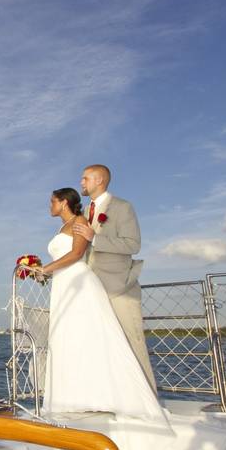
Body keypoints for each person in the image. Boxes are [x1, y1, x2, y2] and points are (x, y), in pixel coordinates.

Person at [37, 187, 165, 422]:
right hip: (64, 282)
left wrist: (45, 269)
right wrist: (43, 271)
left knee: (93, 337)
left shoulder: (79, 220)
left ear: (64, 203)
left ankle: (117, 396)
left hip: (78, 281)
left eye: (52, 201)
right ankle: (73, 397)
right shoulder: (62, 226)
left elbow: (76, 254)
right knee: (69, 338)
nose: (49, 206)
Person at [72, 164, 157, 393]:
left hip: (119, 287)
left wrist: (95, 238)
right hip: (90, 288)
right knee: (99, 345)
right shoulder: (82, 213)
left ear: (99, 180)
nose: (81, 182)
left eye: (85, 178)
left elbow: (133, 244)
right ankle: (109, 397)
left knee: (132, 342)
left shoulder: (122, 207)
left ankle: (148, 399)